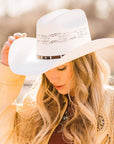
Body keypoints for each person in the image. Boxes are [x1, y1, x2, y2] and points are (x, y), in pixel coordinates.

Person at [0, 9, 114, 144]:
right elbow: (6, 138)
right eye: (46, 68)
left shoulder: (110, 105)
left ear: (83, 64)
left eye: (61, 68)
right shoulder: (35, 105)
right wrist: (8, 75)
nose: (53, 78)